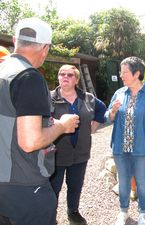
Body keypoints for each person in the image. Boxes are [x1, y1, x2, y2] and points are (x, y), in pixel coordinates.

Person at [0, 17, 79, 225]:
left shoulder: (3, 71)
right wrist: (62, 125)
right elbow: (30, 141)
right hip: (24, 186)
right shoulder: (27, 77)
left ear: (16, 40)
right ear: (45, 48)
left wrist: (46, 123)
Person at [105, 56, 145, 225]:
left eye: (124, 72)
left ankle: (142, 213)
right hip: (120, 146)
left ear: (136, 73)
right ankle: (123, 211)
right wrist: (112, 111)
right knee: (123, 180)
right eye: (121, 71)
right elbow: (107, 117)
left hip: (142, 147)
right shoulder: (119, 93)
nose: (121, 75)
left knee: (141, 180)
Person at [50, 64, 106, 225]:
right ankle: (50, 215)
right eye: (62, 74)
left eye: (69, 75)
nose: (65, 77)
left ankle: (73, 212)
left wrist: (93, 127)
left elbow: (102, 110)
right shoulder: (49, 98)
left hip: (81, 152)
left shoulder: (87, 97)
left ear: (76, 79)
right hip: (56, 153)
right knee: (53, 187)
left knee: (75, 185)